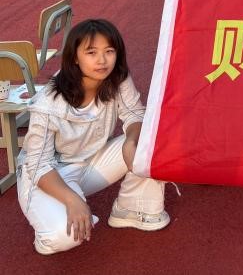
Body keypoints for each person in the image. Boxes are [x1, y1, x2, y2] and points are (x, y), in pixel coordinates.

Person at [17, 19, 170, 255]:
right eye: (91, 52)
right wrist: (72, 200)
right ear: (75, 57)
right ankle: (47, 229)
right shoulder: (48, 103)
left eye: (109, 51)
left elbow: (134, 113)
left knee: (151, 140)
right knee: (66, 236)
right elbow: (38, 164)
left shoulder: (117, 78)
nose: (102, 60)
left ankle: (131, 208)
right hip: (47, 174)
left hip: (89, 163)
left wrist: (131, 141)